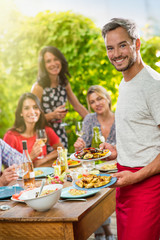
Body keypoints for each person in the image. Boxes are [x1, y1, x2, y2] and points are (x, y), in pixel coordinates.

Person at [100, 18, 160, 240]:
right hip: (124, 182)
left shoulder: (154, 86)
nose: (116, 54)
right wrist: (118, 150)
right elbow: (143, 134)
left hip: (147, 187)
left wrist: (136, 178)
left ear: (137, 44)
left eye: (122, 45)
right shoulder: (124, 82)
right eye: (110, 48)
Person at [74, 85, 115, 240]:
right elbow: (82, 145)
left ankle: (106, 231)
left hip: (117, 166)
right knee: (94, 194)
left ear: (108, 98)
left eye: (99, 98)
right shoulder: (90, 119)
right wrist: (80, 146)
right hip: (96, 167)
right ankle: (102, 230)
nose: (96, 103)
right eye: (92, 102)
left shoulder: (120, 118)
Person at [31, 46, 88, 148]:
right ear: (43, 65)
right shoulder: (38, 87)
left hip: (60, 133)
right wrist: (53, 115)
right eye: (48, 61)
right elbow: (32, 118)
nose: (53, 64)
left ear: (61, 60)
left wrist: (95, 122)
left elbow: (77, 106)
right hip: (44, 136)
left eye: (55, 59)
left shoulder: (64, 83)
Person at [3, 93, 63, 167]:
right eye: (27, 108)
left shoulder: (44, 130)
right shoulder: (11, 136)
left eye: (35, 107)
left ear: (40, 110)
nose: (32, 111)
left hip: (43, 175)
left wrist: (44, 160)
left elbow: (61, 149)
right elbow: (8, 167)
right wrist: (30, 157)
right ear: (21, 113)